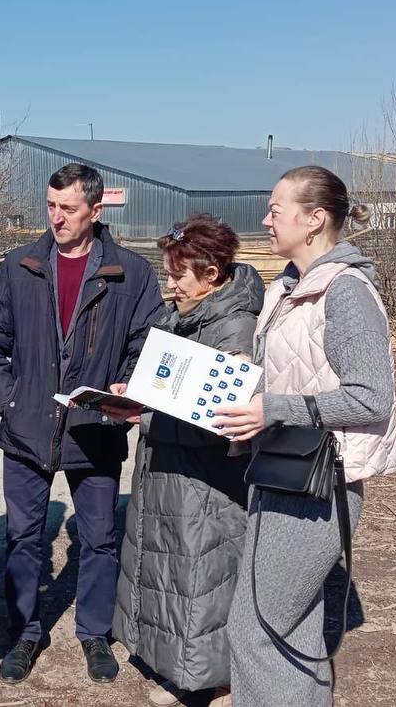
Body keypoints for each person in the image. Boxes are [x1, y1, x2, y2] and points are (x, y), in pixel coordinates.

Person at [0, 163, 164, 685]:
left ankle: (95, 632)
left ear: (95, 211)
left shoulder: (129, 273)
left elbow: (148, 347)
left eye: (69, 209)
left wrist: (126, 388)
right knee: (22, 536)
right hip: (26, 431)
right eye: (51, 206)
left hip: (95, 429)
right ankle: (24, 632)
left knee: (99, 538)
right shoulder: (21, 266)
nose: (56, 218)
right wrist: (11, 403)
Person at [213, 165, 396, 706]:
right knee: (290, 626)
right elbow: (284, 375)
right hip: (281, 471)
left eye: (276, 210)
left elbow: (371, 397)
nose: (265, 220)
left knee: (256, 627)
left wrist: (272, 408)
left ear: (314, 219)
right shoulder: (289, 288)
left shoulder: (345, 293)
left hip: (319, 485)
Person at [109, 214, 263, 707]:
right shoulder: (181, 316)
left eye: (178, 275)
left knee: (203, 576)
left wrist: (146, 413)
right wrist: (135, 395)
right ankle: (178, 668)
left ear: (212, 275)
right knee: (168, 571)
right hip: (168, 464)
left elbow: (220, 415)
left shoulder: (234, 327)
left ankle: (217, 680)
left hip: (205, 479)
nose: (169, 284)